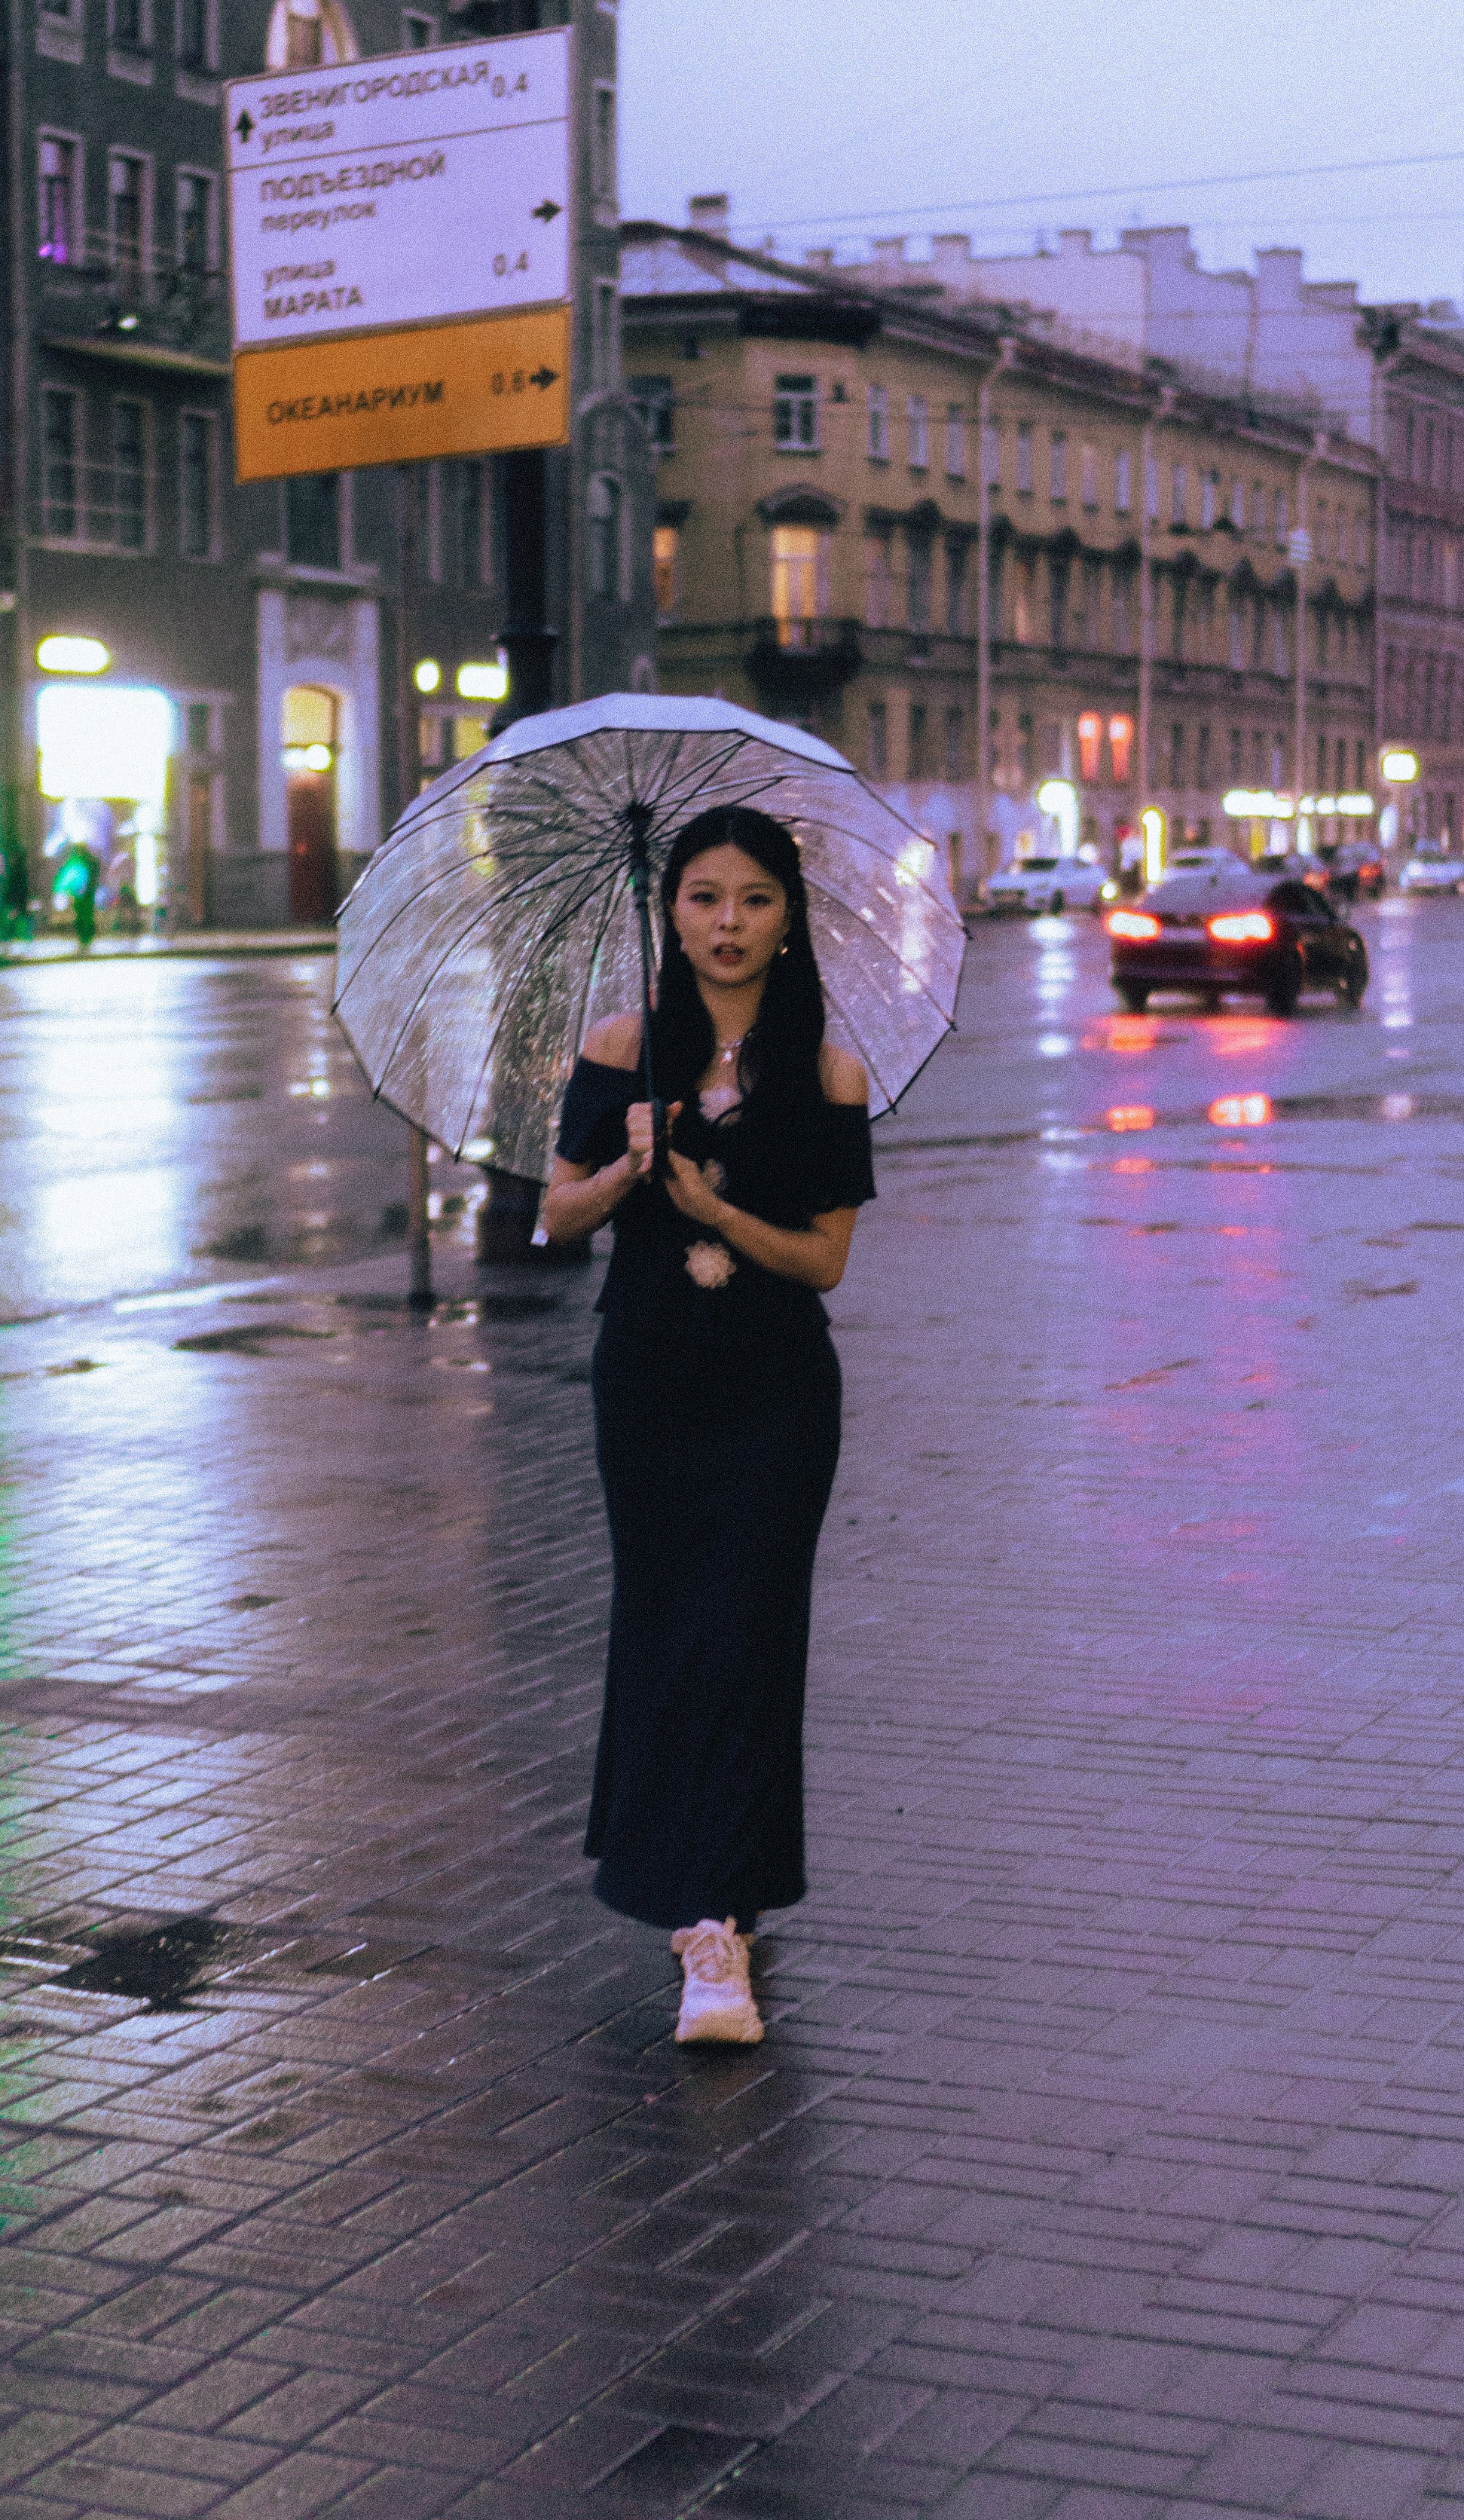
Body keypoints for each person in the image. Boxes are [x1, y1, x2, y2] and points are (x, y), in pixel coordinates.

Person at [542, 806, 875, 2047]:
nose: (727, 924)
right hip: (652, 1384)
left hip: (779, 1392)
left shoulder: (824, 1071)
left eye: (753, 901)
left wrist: (711, 1208)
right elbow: (555, 1221)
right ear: (670, 912)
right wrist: (631, 1171)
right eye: (703, 899)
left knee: (749, 1635)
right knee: (671, 1632)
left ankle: (717, 1935)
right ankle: (697, 1900)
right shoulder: (621, 1047)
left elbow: (826, 1260)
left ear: (789, 919)